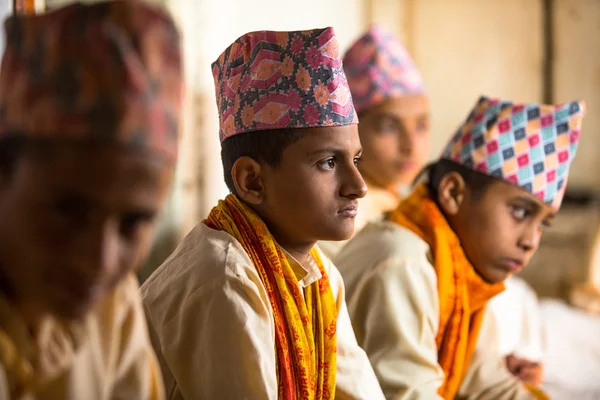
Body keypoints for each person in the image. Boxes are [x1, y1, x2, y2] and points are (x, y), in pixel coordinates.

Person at [141, 27, 385, 399]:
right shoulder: (224, 279)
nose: (358, 185)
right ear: (252, 181)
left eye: (355, 159)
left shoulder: (319, 276)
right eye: (328, 162)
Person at [334, 95, 585, 399]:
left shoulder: (459, 272)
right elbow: (412, 394)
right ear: (453, 192)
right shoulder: (403, 264)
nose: (531, 240)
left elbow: (488, 384)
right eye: (521, 212)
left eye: (543, 224)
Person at [0, 1, 182, 398]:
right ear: (4, 170)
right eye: (68, 211)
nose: (98, 259)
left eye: (133, 223)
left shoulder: (110, 305)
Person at [319, 25, 430, 258]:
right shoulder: (346, 220)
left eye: (420, 125)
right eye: (389, 126)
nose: (410, 145)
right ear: (351, 130)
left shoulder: (400, 199)